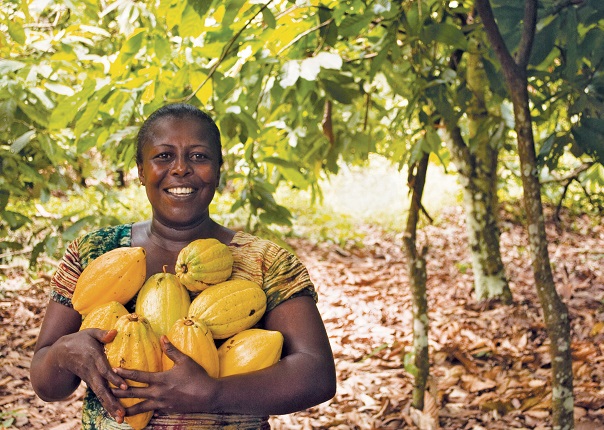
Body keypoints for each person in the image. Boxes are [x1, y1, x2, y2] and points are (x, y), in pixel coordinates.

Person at [30, 103, 337, 429]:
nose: (180, 169)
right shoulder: (94, 253)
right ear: (140, 170)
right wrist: (63, 353)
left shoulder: (266, 262)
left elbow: (317, 375)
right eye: (163, 156)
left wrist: (214, 393)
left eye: (198, 156)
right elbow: (47, 384)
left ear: (219, 169)